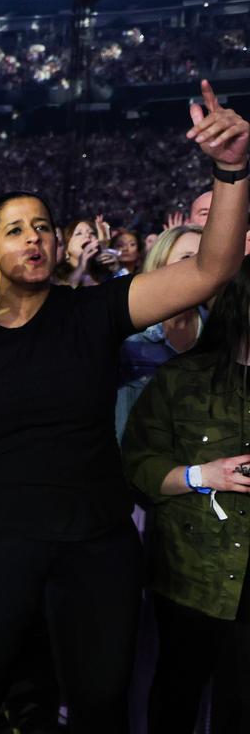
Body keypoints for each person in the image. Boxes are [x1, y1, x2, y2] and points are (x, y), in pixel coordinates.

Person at [0, 79, 249, 734]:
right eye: (14, 230)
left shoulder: (94, 313)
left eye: (43, 226)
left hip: (95, 547)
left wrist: (231, 171)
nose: (34, 237)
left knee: (98, 707)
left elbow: (209, 270)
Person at [123, 257, 250, 734]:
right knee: (176, 698)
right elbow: (138, 464)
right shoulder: (182, 380)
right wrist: (202, 474)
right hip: (192, 573)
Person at [115, 225, 204, 438]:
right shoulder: (128, 334)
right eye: (187, 257)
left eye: (205, 258)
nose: (201, 266)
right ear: (160, 264)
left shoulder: (221, 333)